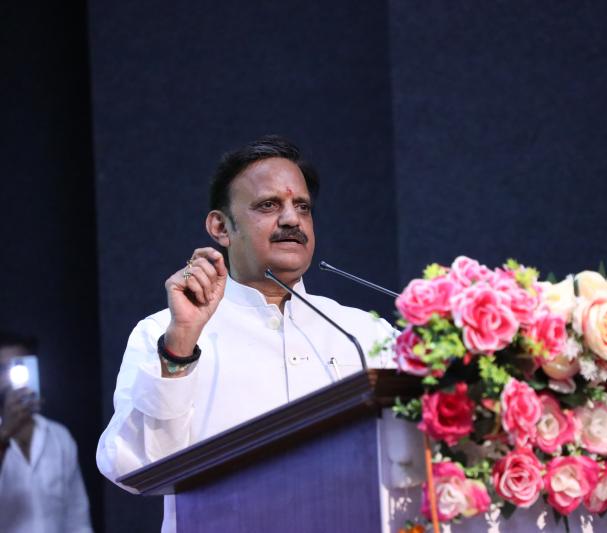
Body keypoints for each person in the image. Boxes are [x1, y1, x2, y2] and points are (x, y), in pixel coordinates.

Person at [96, 135, 394, 532]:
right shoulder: (165, 332)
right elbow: (129, 466)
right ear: (220, 227)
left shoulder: (365, 332)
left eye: (302, 207)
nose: (291, 220)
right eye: (268, 205)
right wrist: (179, 347)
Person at [0, 332, 93, 533]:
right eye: (2, 369)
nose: (9, 378)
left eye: (19, 366)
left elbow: (77, 518)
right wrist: (5, 432)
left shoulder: (59, 437)